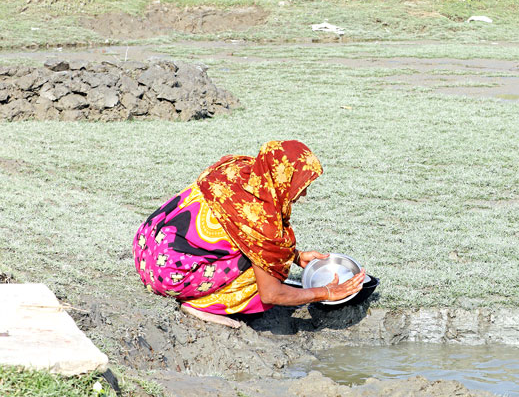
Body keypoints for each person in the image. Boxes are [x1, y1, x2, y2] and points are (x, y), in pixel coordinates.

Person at [132, 140, 364, 329]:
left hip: (147, 249)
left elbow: (234, 228)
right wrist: (325, 292)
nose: (302, 195)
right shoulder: (261, 223)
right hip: (169, 278)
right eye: (300, 186)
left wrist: (294, 255)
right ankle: (201, 303)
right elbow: (271, 295)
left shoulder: (235, 168)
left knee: (268, 256)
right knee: (268, 269)